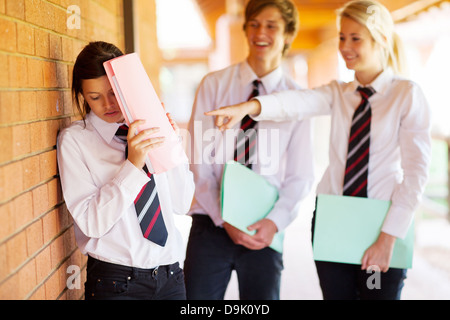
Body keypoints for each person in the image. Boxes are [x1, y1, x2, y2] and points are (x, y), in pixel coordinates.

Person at [206, 0, 432, 300]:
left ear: (381, 40)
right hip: (332, 222)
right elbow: (293, 102)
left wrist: (388, 238)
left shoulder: (406, 95)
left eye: (355, 38)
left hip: (379, 225)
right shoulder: (338, 93)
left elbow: (417, 174)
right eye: (342, 37)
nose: (345, 46)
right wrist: (248, 107)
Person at [184, 0, 314, 300]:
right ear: (245, 29)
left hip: (264, 227)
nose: (261, 32)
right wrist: (224, 216)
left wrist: (274, 223)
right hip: (211, 222)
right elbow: (198, 160)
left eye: (271, 26)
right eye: (254, 24)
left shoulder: (297, 100)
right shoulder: (214, 85)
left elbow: (301, 175)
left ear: (288, 34)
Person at [57, 41, 195, 300]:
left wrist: (170, 142)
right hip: (116, 283)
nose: (108, 104)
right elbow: (92, 223)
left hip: (171, 277)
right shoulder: (75, 141)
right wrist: (133, 164)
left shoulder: (150, 128)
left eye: (113, 93)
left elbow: (182, 202)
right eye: (94, 97)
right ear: (82, 96)